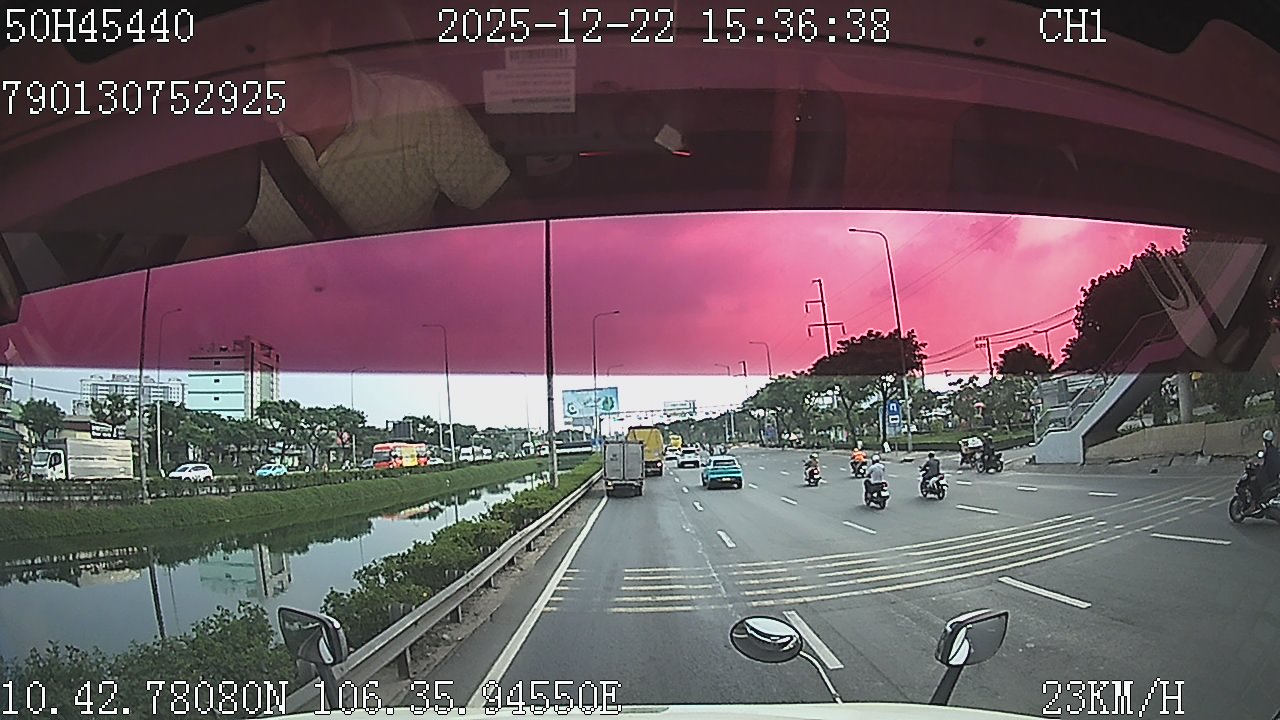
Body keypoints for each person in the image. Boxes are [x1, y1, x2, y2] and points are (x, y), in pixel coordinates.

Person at [1251, 430, 1280, 512]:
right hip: (1275, 475)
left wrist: (1258, 467)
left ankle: (1254, 504)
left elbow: (1265, 466)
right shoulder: (1274, 450)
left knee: (1254, 482)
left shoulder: (1268, 451)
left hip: (1269, 476)